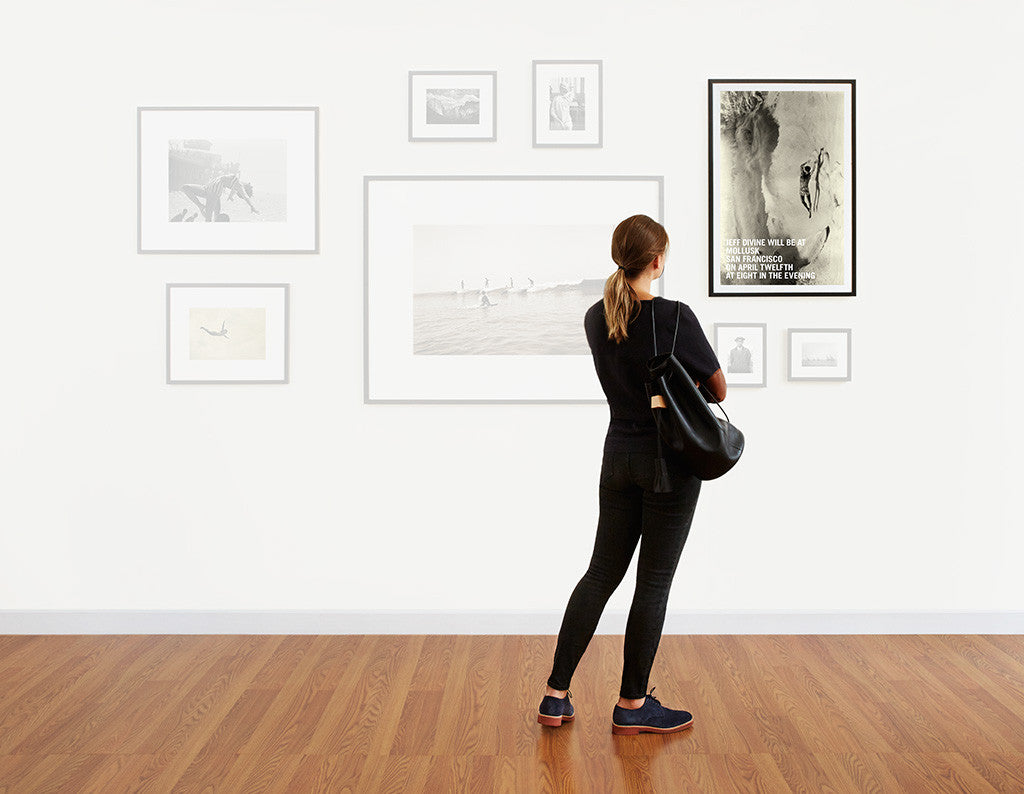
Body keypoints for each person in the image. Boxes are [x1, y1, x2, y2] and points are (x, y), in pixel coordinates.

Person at [537, 214, 726, 736]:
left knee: (599, 574)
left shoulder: (597, 317)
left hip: (617, 457)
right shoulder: (674, 316)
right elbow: (719, 388)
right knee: (653, 582)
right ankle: (633, 704)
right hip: (668, 464)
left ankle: (555, 697)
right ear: (657, 260)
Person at [180, 171, 259, 222]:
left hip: (214, 194)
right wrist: (231, 196)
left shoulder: (240, 186)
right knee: (185, 187)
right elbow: (234, 188)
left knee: (209, 218)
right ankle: (200, 206)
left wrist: (252, 206)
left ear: (246, 188)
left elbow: (245, 196)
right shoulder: (236, 182)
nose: (249, 183)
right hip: (206, 188)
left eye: (249, 185)